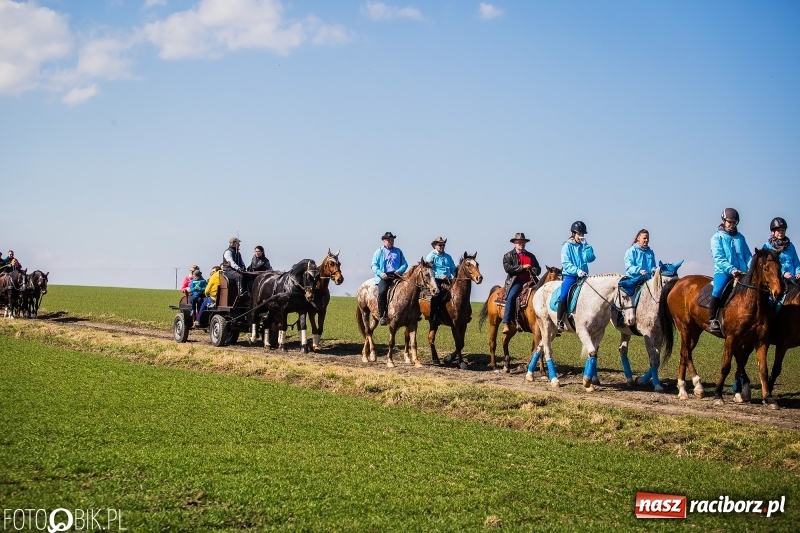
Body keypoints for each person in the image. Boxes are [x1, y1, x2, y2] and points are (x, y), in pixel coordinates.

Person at [709, 208, 751, 333]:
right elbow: (719, 258)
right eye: (729, 222)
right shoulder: (716, 237)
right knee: (718, 289)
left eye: (735, 223)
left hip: (742, 273)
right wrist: (732, 270)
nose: (732, 225)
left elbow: (748, 255)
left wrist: (750, 268)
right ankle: (712, 319)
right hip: (724, 272)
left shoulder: (740, 238)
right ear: (723, 220)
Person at [557, 221, 596, 332]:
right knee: (564, 295)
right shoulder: (567, 245)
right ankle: (559, 320)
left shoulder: (584, 246)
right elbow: (565, 263)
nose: (581, 236)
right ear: (573, 233)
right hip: (570, 275)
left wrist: (586, 246)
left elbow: (591, 258)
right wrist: (576, 271)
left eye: (583, 234)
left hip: (583, 276)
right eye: (579, 233)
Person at [502, 232, 541, 333]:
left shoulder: (531, 256)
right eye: (519, 242)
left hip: (531, 281)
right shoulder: (508, 255)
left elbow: (539, 269)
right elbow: (508, 268)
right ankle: (506, 322)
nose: (521, 244)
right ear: (514, 243)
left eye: (523, 242)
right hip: (517, 281)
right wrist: (522, 267)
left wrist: (534, 269)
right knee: (511, 297)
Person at [372, 231, 408, 326]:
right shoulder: (379, 251)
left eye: (392, 240)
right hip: (384, 276)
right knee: (382, 292)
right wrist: (381, 273)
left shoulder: (398, 251)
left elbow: (405, 264)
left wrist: (399, 271)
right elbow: (374, 265)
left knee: (410, 289)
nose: (390, 241)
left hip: (397, 276)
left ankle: (411, 314)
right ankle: (382, 315)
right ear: (384, 241)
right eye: (388, 240)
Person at [425, 236, 457, 326]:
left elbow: (453, 269)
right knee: (437, 295)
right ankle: (435, 317)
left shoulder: (448, 257)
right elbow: (428, 269)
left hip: (448, 280)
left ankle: (464, 314)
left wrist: (455, 276)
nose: (442, 246)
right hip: (435, 280)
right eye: (440, 245)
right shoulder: (431, 256)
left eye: (443, 245)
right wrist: (439, 275)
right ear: (435, 246)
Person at [763, 217, 800, 283]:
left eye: (783, 230)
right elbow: (766, 266)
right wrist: (783, 273)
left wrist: (798, 272)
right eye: (778, 230)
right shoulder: (767, 247)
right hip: (776, 280)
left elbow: (796, 262)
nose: (781, 232)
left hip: (793, 279)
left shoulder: (790, 246)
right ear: (773, 232)